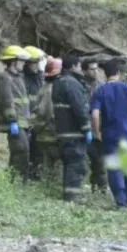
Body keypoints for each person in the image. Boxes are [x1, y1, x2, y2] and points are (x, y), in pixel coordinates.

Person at [91, 61, 127, 212]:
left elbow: (95, 114)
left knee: (115, 168)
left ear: (105, 74)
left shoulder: (100, 91)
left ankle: (121, 203)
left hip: (110, 134)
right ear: (118, 73)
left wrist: (97, 132)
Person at [52, 55, 93, 202]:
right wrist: (87, 128)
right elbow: (80, 108)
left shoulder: (58, 82)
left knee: (69, 165)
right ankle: (72, 198)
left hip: (62, 132)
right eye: (79, 66)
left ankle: (68, 196)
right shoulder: (72, 83)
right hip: (74, 133)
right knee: (76, 166)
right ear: (73, 67)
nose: (81, 69)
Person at [0, 45, 33, 182]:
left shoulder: (18, 77)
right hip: (15, 123)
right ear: (13, 61)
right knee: (21, 152)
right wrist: (12, 121)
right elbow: (6, 102)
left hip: (23, 123)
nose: (23, 64)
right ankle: (18, 183)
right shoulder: (5, 78)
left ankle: (12, 182)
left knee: (19, 153)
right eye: (21, 61)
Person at [32, 57, 62, 181]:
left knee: (47, 163)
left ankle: (46, 188)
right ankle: (52, 189)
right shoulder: (52, 90)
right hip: (50, 134)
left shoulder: (44, 88)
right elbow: (46, 112)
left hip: (43, 134)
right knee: (56, 164)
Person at [81, 58, 107, 193]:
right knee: (82, 162)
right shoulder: (79, 85)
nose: (95, 72)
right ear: (84, 70)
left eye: (97, 69)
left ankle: (101, 188)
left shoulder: (102, 86)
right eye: (92, 69)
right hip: (82, 127)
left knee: (100, 162)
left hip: (98, 128)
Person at [23, 45, 46, 180]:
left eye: (38, 62)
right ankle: (24, 177)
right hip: (26, 121)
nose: (37, 65)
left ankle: (35, 176)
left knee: (38, 151)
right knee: (24, 151)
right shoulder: (21, 79)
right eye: (34, 62)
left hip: (37, 120)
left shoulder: (38, 77)